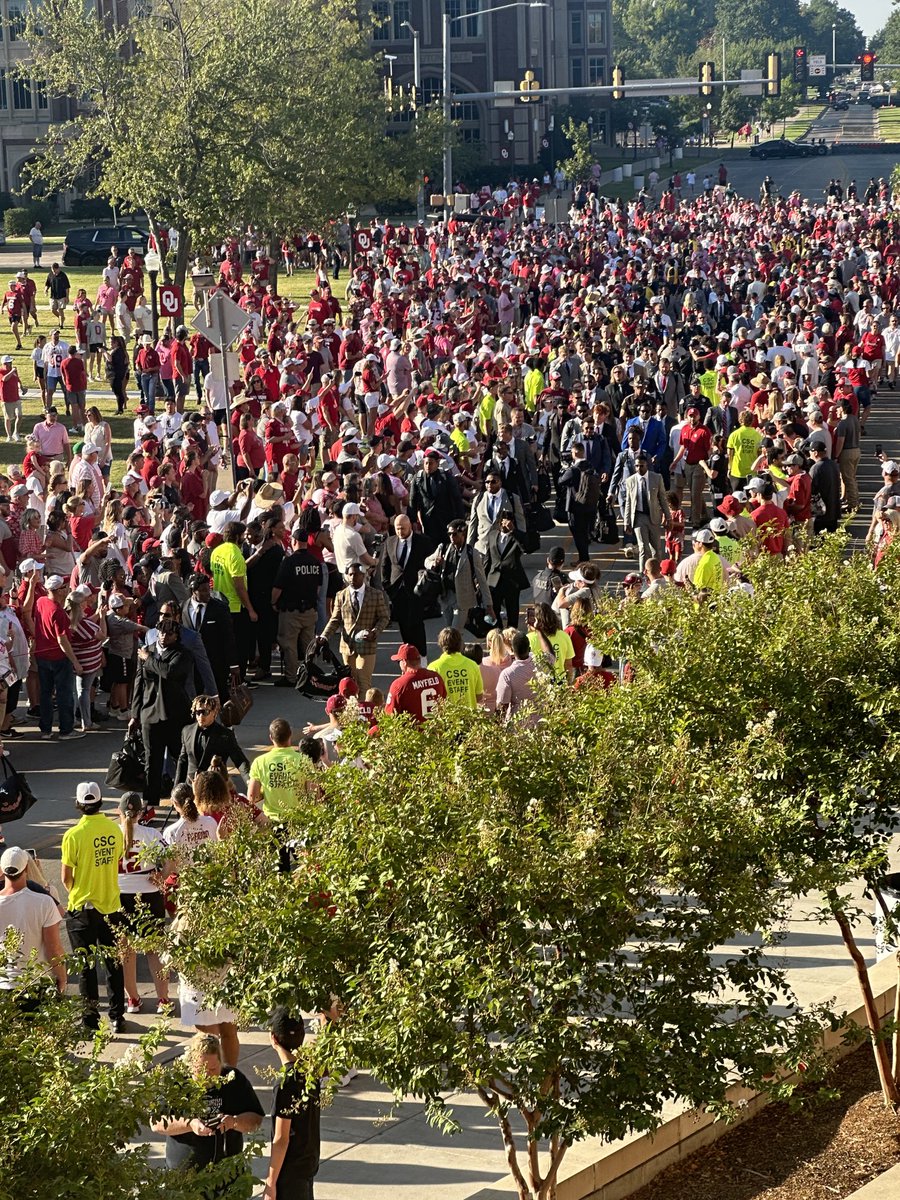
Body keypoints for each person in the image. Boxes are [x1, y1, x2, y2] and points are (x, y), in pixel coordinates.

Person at [60, 780, 126, 1031]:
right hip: (110, 905)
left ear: (78, 804)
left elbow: (66, 876)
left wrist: (77, 891)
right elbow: (117, 859)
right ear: (99, 802)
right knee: (113, 964)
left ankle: (90, 1021)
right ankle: (117, 1017)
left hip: (83, 907)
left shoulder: (73, 835)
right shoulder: (114, 830)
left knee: (86, 967)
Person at [151, 1032, 263, 1175]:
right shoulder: (176, 1082)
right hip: (184, 1176)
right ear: (190, 1064)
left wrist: (233, 1122)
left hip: (226, 1174)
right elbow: (156, 1123)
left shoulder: (233, 1079)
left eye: (213, 1069)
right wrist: (189, 1124)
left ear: (221, 1063)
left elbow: (256, 1119)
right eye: (200, 1070)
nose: (207, 1076)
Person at [114, 792, 170, 1015]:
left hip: (120, 894)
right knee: (154, 950)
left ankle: (133, 1000)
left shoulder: (112, 834)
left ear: (119, 811)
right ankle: (163, 1000)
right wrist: (162, 877)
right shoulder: (151, 833)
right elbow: (171, 859)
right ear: (141, 813)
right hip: (148, 893)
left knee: (124, 950)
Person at [130, 615, 194, 811]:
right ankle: (150, 805)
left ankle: (185, 800)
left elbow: (169, 672)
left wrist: (148, 660)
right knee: (152, 762)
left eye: (169, 633)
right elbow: (139, 684)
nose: (164, 636)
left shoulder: (182, 654)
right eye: (161, 632)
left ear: (176, 636)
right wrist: (135, 714)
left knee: (182, 758)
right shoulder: (147, 652)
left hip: (175, 716)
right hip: (150, 715)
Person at [264, 1007, 321, 1200]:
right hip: (308, 1163)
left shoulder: (284, 1083)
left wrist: (271, 1182)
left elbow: (281, 1138)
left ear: (273, 1038)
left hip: (290, 1171)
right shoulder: (310, 1072)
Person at [0, 845, 66, 996]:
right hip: (37, 982)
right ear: (26, 869)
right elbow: (53, 947)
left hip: (3, 983)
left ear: (2, 871)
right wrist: (62, 977)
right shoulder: (43, 902)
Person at [317, 562, 389, 693]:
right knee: (350, 685)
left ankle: (363, 711)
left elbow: (384, 617)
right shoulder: (341, 595)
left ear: (363, 575)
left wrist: (375, 632)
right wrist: (324, 636)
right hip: (347, 647)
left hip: (367, 646)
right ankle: (352, 711)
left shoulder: (375, 594)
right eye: (350, 575)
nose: (352, 578)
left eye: (356, 575)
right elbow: (335, 620)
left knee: (363, 683)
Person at [33, 573, 85, 741]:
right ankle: (66, 729)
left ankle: (46, 729)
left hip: (42, 656)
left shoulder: (41, 601)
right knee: (64, 694)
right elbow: (62, 641)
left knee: (46, 693)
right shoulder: (58, 612)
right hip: (58, 658)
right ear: (59, 590)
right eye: (64, 587)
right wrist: (75, 662)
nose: (67, 589)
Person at [271, 527, 325, 687]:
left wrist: (273, 603)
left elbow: (277, 588)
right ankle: (310, 675)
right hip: (309, 610)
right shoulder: (315, 562)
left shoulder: (288, 562)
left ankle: (291, 677)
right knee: (308, 644)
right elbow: (318, 588)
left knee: (289, 645)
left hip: (291, 611)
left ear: (294, 542)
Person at [182, 573, 239, 703]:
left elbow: (229, 637)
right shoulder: (183, 608)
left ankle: (226, 722)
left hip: (216, 663)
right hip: (193, 664)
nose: (207, 593)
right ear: (193, 591)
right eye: (203, 590)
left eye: (208, 589)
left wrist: (233, 664)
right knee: (195, 699)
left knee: (221, 696)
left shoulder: (220, 608)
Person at [428, 518, 493, 632]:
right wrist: (434, 563)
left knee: (454, 632)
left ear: (463, 533)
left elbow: (482, 581)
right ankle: (460, 649)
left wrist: (489, 605)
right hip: (446, 596)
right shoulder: (443, 548)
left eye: (454, 534)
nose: (451, 537)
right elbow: (427, 561)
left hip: (462, 599)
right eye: (449, 534)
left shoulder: (472, 553)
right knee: (451, 633)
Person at [383, 513, 434, 658]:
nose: (400, 532)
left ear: (410, 526)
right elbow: (385, 566)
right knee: (404, 627)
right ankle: (408, 657)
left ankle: (421, 658)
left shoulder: (423, 542)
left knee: (417, 626)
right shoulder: (390, 542)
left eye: (403, 529)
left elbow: (430, 566)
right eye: (397, 529)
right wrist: (387, 586)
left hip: (416, 591)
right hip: (397, 592)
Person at [210, 521, 256, 680]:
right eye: (243, 535)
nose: (245, 538)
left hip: (218, 603)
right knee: (239, 647)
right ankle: (240, 681)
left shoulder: (216, 551)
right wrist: (250, 608)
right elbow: (239, 585)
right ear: (237, 536)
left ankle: (226, 679)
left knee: (223, 646)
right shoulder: (236, 554)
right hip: (235, 607)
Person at [249, 717, 317, 823]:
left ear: (271, 738)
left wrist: (266, 791)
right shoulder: (304, 761)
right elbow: (312, 795)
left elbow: (253, 797)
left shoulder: (260, 762)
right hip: (298, 820)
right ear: (290, 734)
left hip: (271, 821)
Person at [175, 694, 251, 785]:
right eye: (198, 712)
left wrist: (249, 781)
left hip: (215, 787)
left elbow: (240, 760)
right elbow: (182, 761)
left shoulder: (225, 735)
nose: (201, 716)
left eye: (205, 712)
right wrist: (176, 787)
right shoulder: (187, 731)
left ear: (214, 713)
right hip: (192, 786)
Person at [623, 451, 671, 571]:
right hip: (639, 517)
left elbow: (663, 499)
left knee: (656, 549)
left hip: (653, 516)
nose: (639, 468)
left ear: (647, 465)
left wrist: (668, 517)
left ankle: (657, 573)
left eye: (641, 466)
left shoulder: (656, 478)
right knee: (643, 548)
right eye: (637, 466)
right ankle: (643, 575)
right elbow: (628, 502)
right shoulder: (630, 481)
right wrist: (626, 522)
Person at [483, 507, 529, 629]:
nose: (505, 523)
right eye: (503, 519)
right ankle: (498, 634)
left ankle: (511, 636)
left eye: (509, 519)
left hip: (512, 581)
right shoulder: (492, 535)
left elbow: (526, 548)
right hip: (494, 580)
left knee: (512, 611)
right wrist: (481, 578)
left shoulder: (517, 536)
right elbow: (488, 558)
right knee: (494, 610)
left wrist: (513, 531)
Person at [384, 643, 446, 723]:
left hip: (413, 733)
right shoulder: (436, 677)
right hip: (437, 731)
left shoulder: (399, 684)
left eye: (398, 661)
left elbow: (389, 716)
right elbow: (444, 702)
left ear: (404, 662)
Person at [428, 625, 483, 709]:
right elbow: (479, 696)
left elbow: (431, 698)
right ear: (460, 643)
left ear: (440, 643)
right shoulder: (473, 665)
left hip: (446, 719)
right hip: (470, 717)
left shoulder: (433, 668)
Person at [527, 603, 575, 683]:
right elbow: (569, 665)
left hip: (538, 684)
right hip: (559, 681)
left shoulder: (529, 638)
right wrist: (569, 683)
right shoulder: (564, 636)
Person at [495, 632, 536, 720]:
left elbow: (502, 706)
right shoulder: (540, 665)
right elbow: (551, 655)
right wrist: (539, 630)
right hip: (541, 722)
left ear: (512, 650)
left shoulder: (507, 675)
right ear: (529, 649)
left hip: (518, 724)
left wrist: (497, 728)